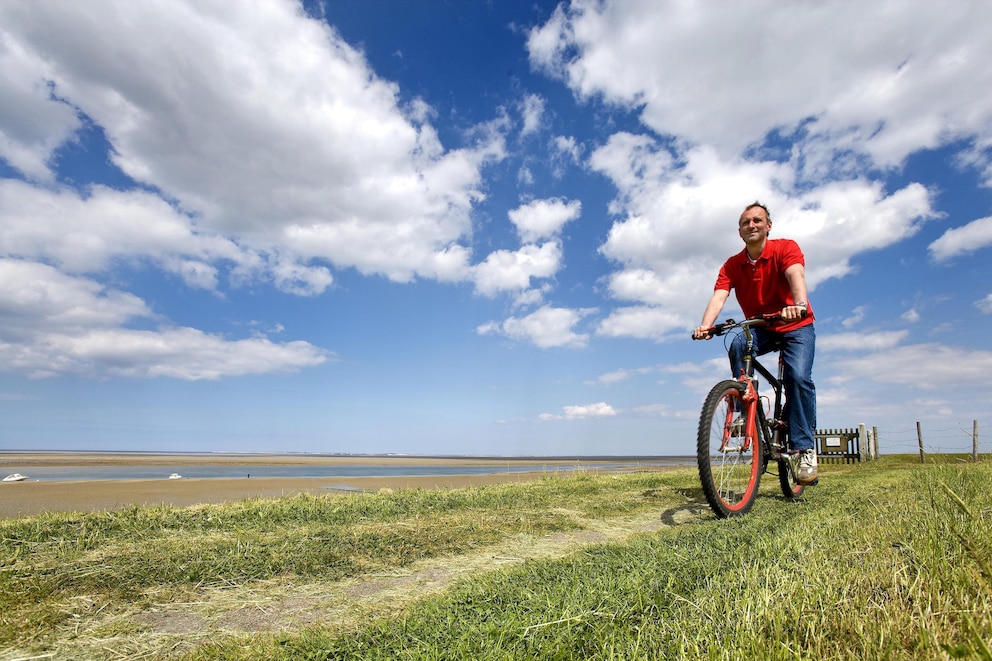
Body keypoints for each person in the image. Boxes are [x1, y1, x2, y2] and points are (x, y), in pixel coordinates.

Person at [693, 202, 818, 484]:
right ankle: (740, 410)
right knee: (738, 342)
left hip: (796, 324)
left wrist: (798, 304)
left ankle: (804, 447)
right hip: (762, 326)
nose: (752, 225)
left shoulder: (786, 248)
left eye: (757, 220)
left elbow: (795, 274)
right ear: (739, 231)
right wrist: (705, 325)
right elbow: (720, 295)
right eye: (746, 222)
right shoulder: (732, 264)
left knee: (798, 377)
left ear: (768, 226)